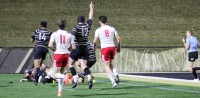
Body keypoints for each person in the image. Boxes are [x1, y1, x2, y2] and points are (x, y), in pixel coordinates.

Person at [68, 1, 94, 89]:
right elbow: (90, 18)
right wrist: (91, 8)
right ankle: (89, 76)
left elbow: (72, 36)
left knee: (70, 63)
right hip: (85, 48)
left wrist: (70, 45)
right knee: (83, 66)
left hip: (77, 47)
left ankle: (75, 79)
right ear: (83, 21)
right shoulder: (87, 26)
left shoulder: (76, 27)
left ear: (77, 21)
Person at [48, 19, 75, 97]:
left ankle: (66, 77)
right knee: (60, 73)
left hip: (58, 54)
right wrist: (68, 48)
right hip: (66, 54)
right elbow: (73, 47)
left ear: (58, 25)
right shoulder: (69, 35)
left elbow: (50, 45)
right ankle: (59, 92)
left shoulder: (54, 34)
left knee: (54, 75)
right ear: (65, 26)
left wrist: (53, 49)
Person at [93, 16, 121, 88]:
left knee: (106, 65)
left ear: (99, 22)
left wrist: (94, 47)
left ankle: (113, 82)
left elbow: (94, 41)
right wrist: (118, 46)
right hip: (112, 47)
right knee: (110, 63)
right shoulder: (112, 28)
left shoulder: (98, 30)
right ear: (106, 21)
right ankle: (115, 73)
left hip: (105, 48)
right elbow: (118, 38)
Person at [31, 21, 52, 85]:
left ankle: (42, 75)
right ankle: (36, 80)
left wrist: (32, 38)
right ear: (46, 25)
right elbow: (51, 42)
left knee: (36, 66)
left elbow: (31, 41)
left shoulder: (36, 31)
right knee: (39, 65)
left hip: (38, 48)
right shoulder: (49, 32)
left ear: (40, 25)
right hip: (45, 49)